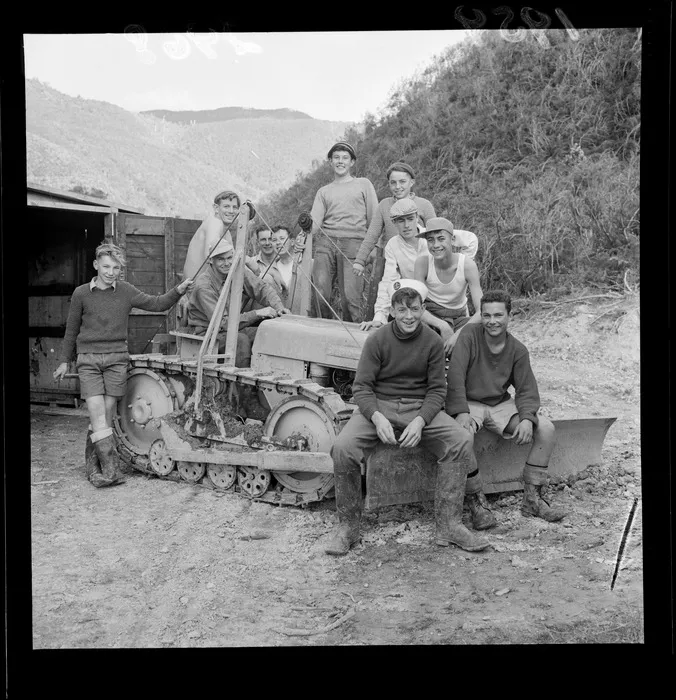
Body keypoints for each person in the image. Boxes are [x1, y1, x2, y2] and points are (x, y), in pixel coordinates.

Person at [325, 279, 490, 556]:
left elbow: (438, 389)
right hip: (380, 406)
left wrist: (422, 420)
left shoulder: (433, 342)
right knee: (343, 448)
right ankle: (348, 527)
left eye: (414, 309)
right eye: (402, 310)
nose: (409, 316)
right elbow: (362, 387)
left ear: (422, 309)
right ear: (391, 311)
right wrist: (377, 417)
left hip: (419, 408)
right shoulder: (377, 340)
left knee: (460, 439)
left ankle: (449, 525)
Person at [53, 242, 194, 488]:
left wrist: (178, 290)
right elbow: (72, 329)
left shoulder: (126, 291)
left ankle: (93, 466)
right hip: (89, 360)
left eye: (116, 267)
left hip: (117, 359)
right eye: (106, 266)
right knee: (97, 412)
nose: (110, 272)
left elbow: (157, 303)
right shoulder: (81, 294)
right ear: (96, 265)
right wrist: (65, 361)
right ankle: (109, 471)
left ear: (121, 269)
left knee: (106, 415)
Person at [445, 289, 566, 527]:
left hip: (499, 403)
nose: (492, 321)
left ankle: (533, 499)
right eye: (487, 315)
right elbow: (455, 376)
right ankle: (476, 503)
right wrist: (461, 412)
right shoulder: (469, 335)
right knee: (461, 436)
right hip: (469, 403)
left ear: (509, 316)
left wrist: (527, 419)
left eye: (498, 315)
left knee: (547, 429)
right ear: (481, 316)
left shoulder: (518, 350)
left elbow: (527, 390)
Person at [184, 238, 290, 367]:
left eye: (229, 258)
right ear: (211, 260)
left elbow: (261, 288)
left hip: (230, 328)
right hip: (207, 333)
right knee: (241, 341)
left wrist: (279, 307)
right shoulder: (204, 286)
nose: (227, 263)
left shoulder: (236, 271)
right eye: (221, 259)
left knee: (268, 332)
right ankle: (240, 385)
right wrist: (257, 313)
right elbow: (222, 323)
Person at [309, 141, 378, 323]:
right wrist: (304, 229)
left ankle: (352, 338)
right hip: (326, 241)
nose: (340, 161)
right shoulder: (323, 191)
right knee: (320, 290)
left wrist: (373, 247)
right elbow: (314, 222)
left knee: (351, 297)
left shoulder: (363, 184)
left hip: (355, 242)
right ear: (330, 161)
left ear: (352, 162)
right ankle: (322, 329)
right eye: (336, 158)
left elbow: (374, 218)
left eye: (345, 158)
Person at [352, 162, 436, 277]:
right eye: (393, 183)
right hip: (392, 264)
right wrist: (360, 261)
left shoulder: (424, 205)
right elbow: (372, 235)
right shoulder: (384, 205)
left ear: (412, 182)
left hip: (419, 263)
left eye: (402, 182)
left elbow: (435, 234)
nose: (397, 187)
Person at [414, 217, 483, 353]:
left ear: (452, 240)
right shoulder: (422, 263)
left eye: (441, 238)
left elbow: (482, 309)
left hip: (458, 316)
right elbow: (416, 305)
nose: (435, 245)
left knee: (482, 332)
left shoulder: (467, 265)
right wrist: (443, 326)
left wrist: (458, 334)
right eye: (430, 240)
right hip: (431, 316)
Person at [359, 198, 429, 331]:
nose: (406, 225)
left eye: (410, 219)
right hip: (410, 302)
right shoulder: (393, 244)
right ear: (394, 223)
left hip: (435, 301)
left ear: (417, 217)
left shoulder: (430, 238)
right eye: (401, 221)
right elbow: (389, 281)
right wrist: (379, 317)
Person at [182, 190, 241, 281]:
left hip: (205, 284)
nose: (231, 211)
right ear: (216, 208)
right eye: (226, 206)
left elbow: (233, 258)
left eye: (235, 207)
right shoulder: (215, 223)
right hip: (196, 288)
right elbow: (211, 255)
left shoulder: (226, 232)